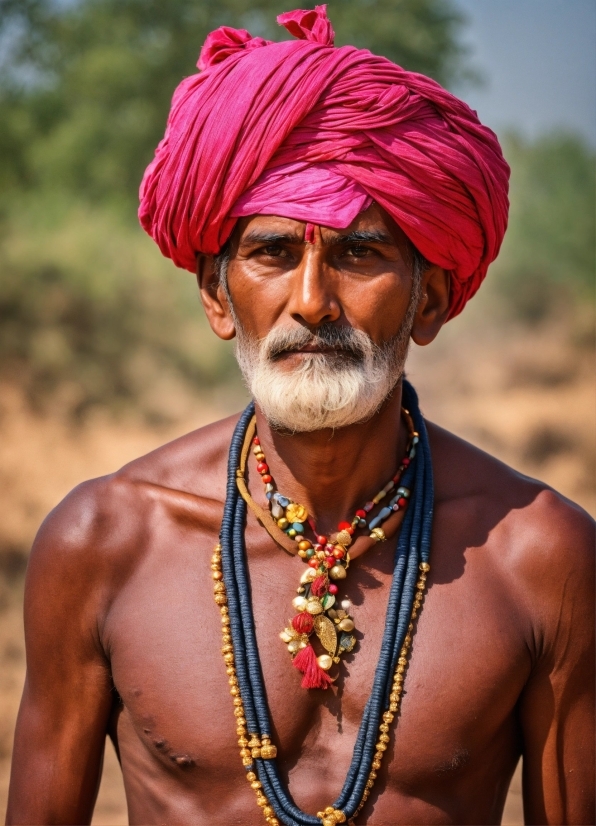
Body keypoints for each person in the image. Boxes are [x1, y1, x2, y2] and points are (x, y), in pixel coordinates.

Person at [7, 7, 594, 825]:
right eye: (272, 254)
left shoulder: (542, 560)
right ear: (217, 296)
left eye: (360, 254)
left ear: (432, 300)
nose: (312, 302)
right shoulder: (104, 542)